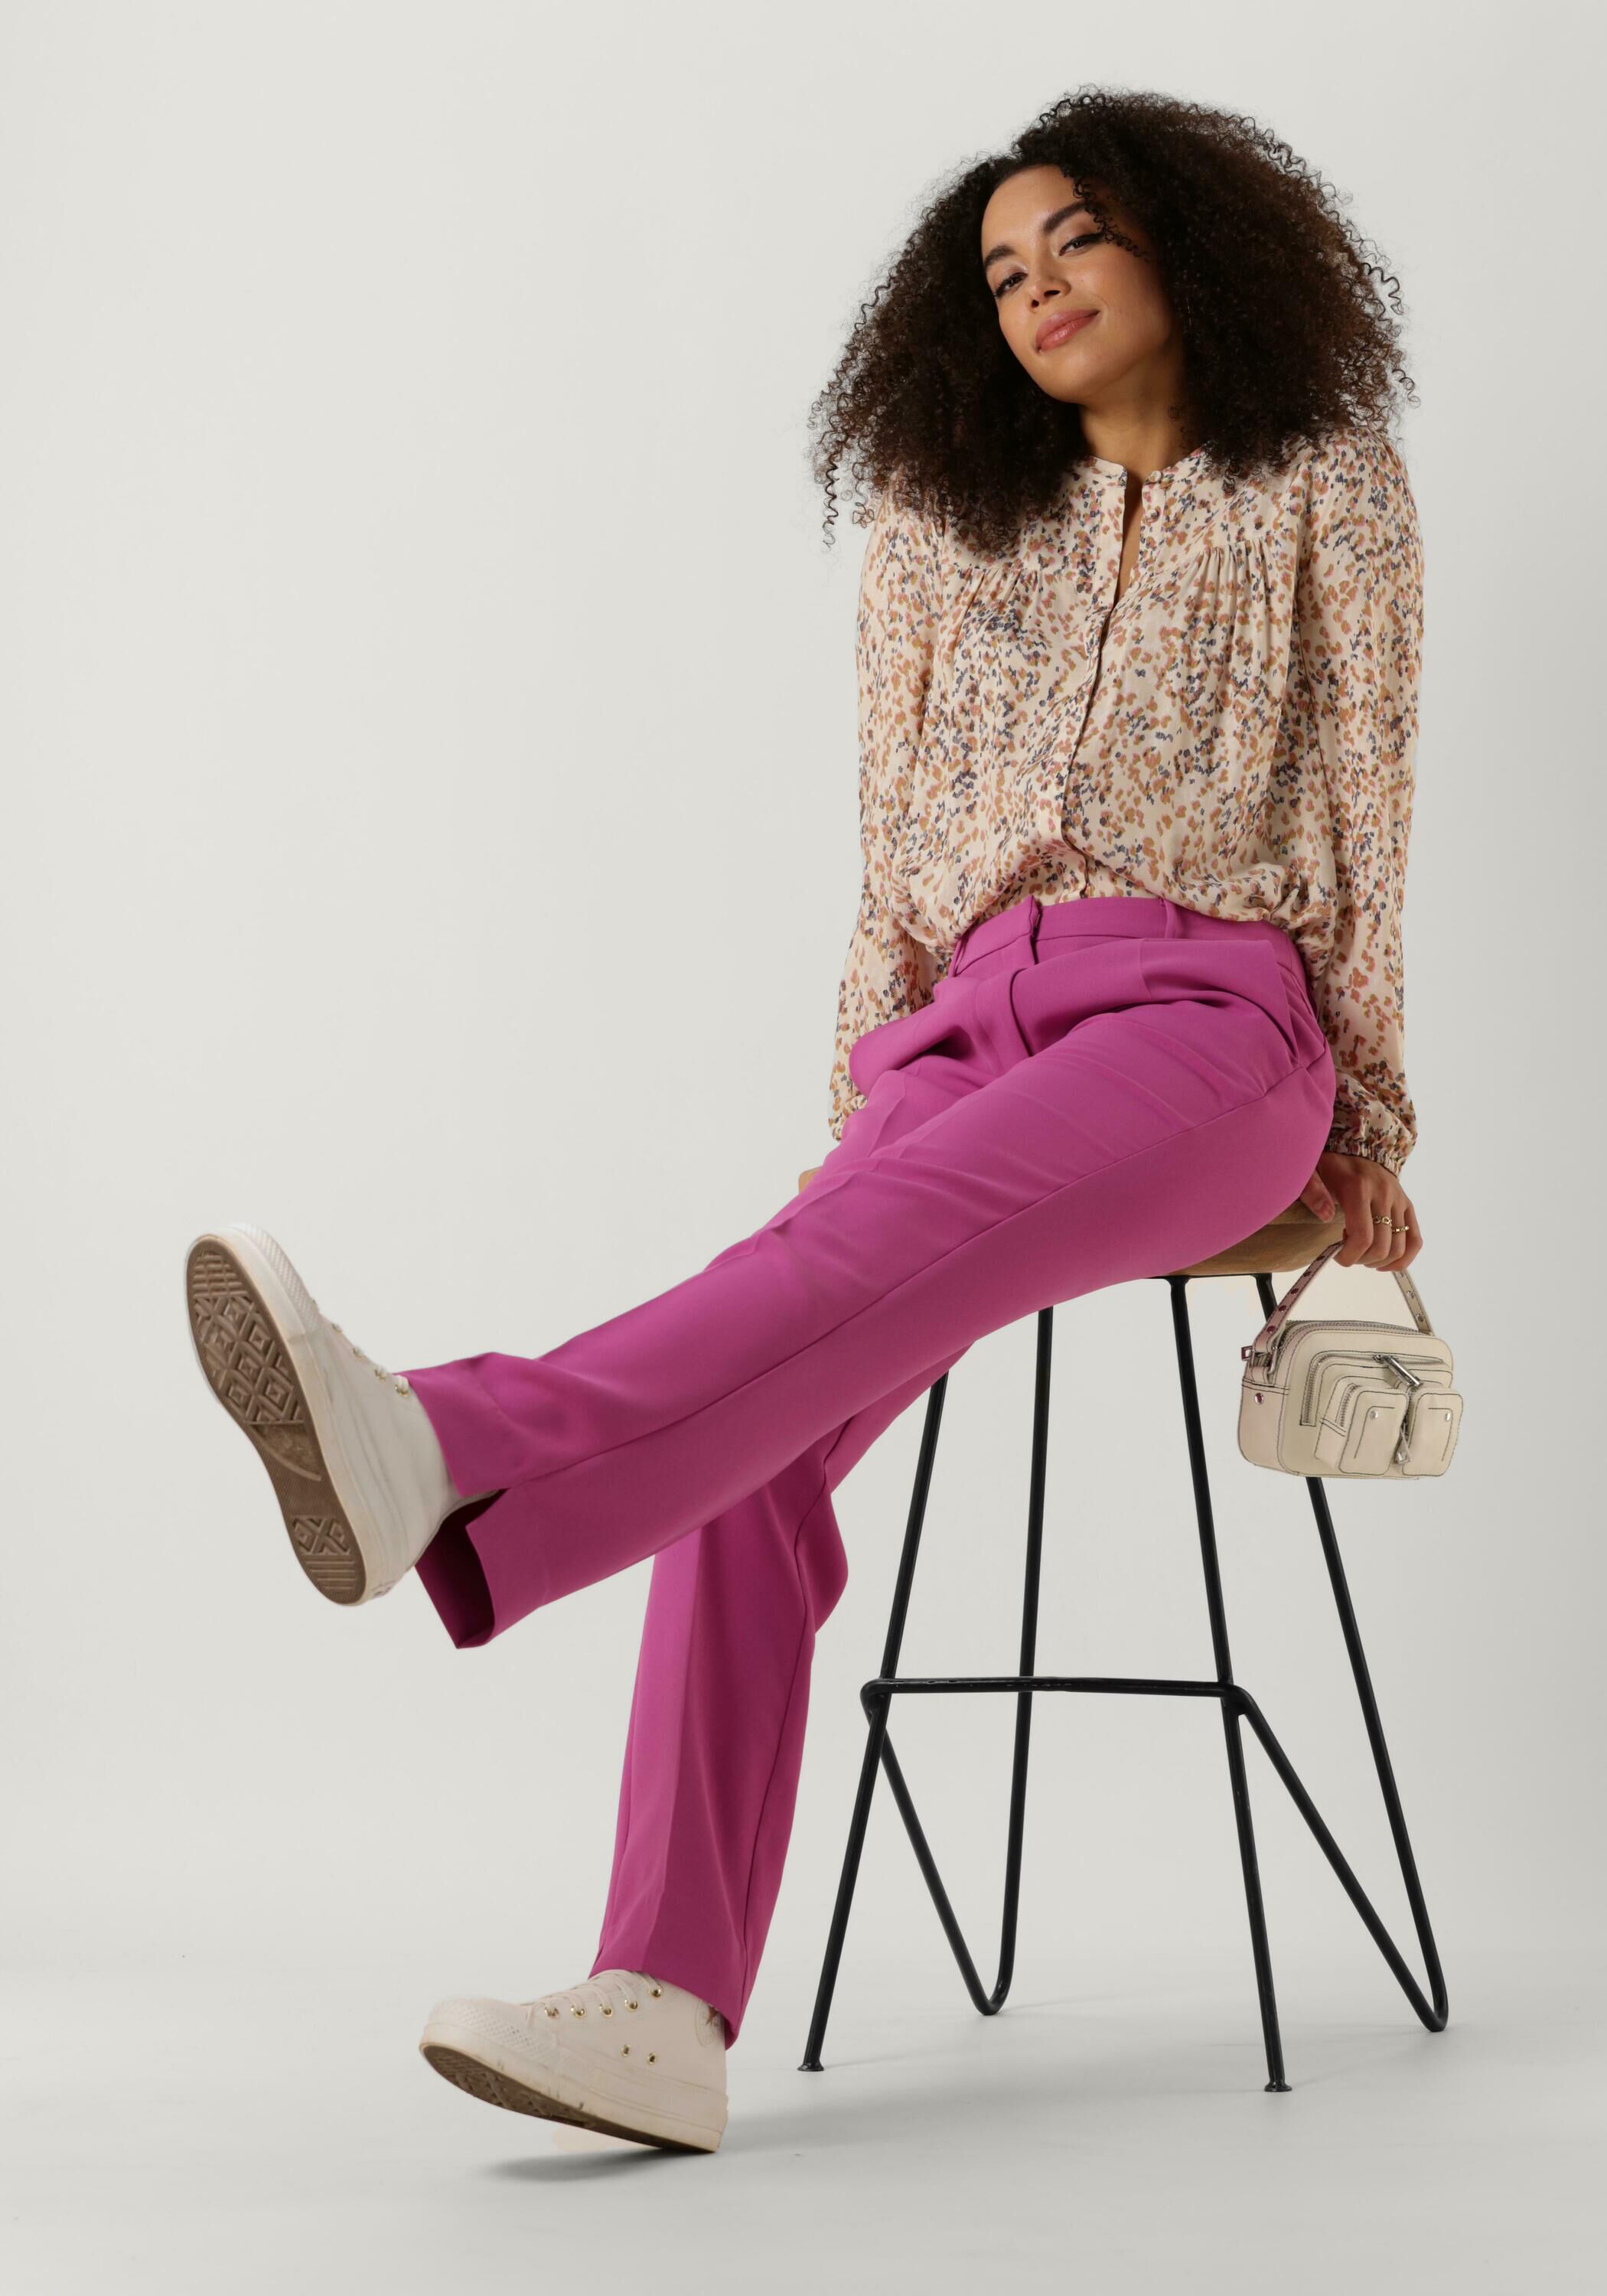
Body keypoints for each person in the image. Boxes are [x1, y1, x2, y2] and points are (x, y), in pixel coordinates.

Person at [184, 88, 1429, 2157]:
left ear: (1188, 245)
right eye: (1000, 272)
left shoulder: (1322, 476)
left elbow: (1370, 802)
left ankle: (446, 1444)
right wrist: (866, 1088)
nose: (1036, 288)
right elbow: (887, 851)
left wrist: (1369, 1115)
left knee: (795, 1312)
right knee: (764, 1393)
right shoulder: (950, 520)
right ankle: (661, 2011)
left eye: (1076, 240)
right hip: (964, 1024)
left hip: (1212, 1028)